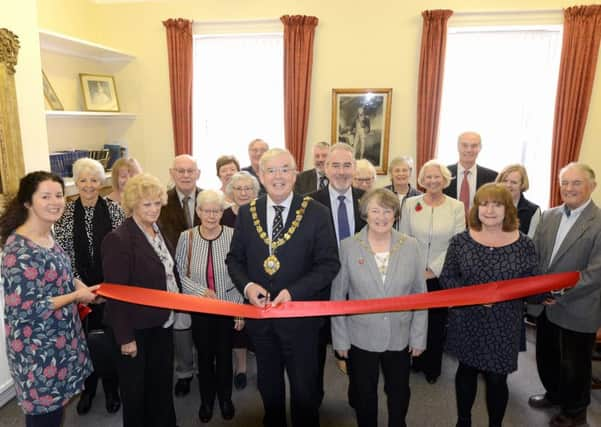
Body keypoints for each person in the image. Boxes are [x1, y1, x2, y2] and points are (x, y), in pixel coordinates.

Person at [226, 148, 340, 427]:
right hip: (262, 321)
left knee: (304, 390)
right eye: (271, 170)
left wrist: (294, 292)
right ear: (261, 176)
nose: (278, 176)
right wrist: (248, 286)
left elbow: (329, 264)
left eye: (285, 169)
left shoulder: (317, 213)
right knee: (268, 385)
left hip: (301, 321)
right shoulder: (247, 213)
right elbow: (234, 260)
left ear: (295, 174)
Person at [0, 171, 98, 427]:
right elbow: (30, 308)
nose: (55, 201)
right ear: (27, 202)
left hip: (60, 340)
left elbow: (61, 274)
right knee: (44, 416)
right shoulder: (17, 250)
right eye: (46, 196)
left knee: (55, 410)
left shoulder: (46, 235)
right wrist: (77, 296)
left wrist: (79, 285)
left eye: (58, 195)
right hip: (37, 350)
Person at [439, 183, 539, 427]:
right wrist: (473, 296)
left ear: (508, 209)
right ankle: (463, 421)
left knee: (497, 379)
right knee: (466, 372)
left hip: (504, 322)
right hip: (468, 318)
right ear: (476, 208)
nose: (490, 210)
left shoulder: (525, 244)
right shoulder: (461, 241)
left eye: (497, 204)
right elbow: (448, 278)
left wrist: (547, 293)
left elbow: (533, 283)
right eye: (484, 204)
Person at [331, 188, 427, 427]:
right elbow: (338, 296)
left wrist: (418, 337)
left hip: (400, 335)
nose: (381, 217)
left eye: (387, 211)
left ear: (395, 214)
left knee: (399, 393)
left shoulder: (411, 245)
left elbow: (421, 295)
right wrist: (340, 339)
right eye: (375, 210)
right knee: (364, 394)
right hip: (360, 336)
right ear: (365, 214)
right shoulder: (348, 246)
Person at [102, 173, 179, 427]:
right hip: (135, 330)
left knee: (161, 385)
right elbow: (116, 294)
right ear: (133, 204)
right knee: (136, 393)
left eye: (157, 203)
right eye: (147, 204)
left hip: (161, 322)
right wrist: (125, 338)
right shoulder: (119, 239)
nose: (154, 209)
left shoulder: (158, 230)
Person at [527, 162, 601, 427]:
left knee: (575, 365)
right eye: (565, 183)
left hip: (578, 306)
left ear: (591, 186)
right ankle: (554, 394)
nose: (569, 188)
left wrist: (558, 292)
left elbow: (596, 272)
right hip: (546, 305)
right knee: (546, 356)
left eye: (576, 183)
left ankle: (575, 411)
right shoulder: (548, 216)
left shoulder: (599, 221)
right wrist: (538, 290)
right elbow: (534, 254)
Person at [54, 157, 124, 415]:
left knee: (110, 340)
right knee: (83, 342)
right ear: (76, 183)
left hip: (110, 288)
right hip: (78, 289)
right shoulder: (66, 213)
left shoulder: (115, 209)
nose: (88, 185)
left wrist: (109, 288)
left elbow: (121, 252)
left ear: (101, 182)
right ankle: (88, 388)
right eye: (83, 180)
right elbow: (63, 254)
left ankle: (111, 388)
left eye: (94, 180)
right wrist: (80, 288)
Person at [175, 190, 244, 423]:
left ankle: (225, 398)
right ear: (198, 212)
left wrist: (238, 309)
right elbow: (179, 274)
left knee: (224, 356)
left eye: (216, 211)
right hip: (201, 308)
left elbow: (241, 275)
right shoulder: (188, 237)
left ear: (222, 212)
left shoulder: (234, 235)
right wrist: (200, 292)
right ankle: (206, 400)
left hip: (227, 307)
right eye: (206, 210)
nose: (211, 215)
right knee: (204, 357)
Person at [399, 160, 465, 384]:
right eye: (428, 176)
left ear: (445, 179)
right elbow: (403, 237)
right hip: (413, 271)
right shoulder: (410, 204)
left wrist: (434, 269)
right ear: (421, 180)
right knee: (413, 318)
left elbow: (457, 242)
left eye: (437, 176)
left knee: (436, 323)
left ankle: (432, 367)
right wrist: (417, 267)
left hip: (441, 274)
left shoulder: (456, 206)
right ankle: (415, 362)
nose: (433, 180)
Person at [310, 142, 366, 402]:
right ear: (325, 168)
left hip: (359, 285)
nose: (341, 171)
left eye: (347, 165)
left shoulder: (368, 201)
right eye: (335, 165)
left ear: (354, 167)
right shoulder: (310, 203)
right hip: (322, 286)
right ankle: (315, 395)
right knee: (317, 347)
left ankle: (357, 394)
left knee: (358, 345)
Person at [157, 154, 201, 397]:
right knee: (181, 327)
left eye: (190, 171)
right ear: (172, 173)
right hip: (174, 275)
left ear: (198, 173)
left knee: (205, 327)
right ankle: (184, 372)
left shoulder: (209, 199)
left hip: (206, 276)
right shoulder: (161, 202)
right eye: (180, 171)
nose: (185, 175)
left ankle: (205, 368)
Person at [221, 171, 261, 390]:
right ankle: (242, 368)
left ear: (255, 192)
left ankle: (263, 368)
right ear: (230, 192)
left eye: (248, 188)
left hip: (258, 276)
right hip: (231, 275)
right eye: (239, 188)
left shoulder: (262, 213)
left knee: (258, 327)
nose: (244, 193)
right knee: (237, 329)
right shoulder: (224, 215)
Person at [443, 131, 498, 218]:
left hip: (480, 228)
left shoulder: (492, 177)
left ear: (480, 148)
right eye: (464, 145)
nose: (469, 150)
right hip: (448, 226)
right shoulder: (443, 174)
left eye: (474, 146)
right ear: (458, 147)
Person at [495, 164, 541, 238]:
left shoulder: (533, 210)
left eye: (513, 182)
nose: (508, 185)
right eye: (505, 181)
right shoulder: (488, 204)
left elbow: (530, 242)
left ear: (522, 185)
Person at [384, 156, 422, 227]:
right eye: (397, 170)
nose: (401, 174)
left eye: (404, 170)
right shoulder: (382, 194)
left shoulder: (419, 196)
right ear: (391, 174)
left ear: (410, 173)